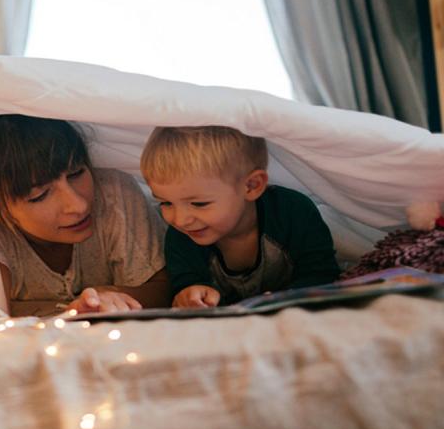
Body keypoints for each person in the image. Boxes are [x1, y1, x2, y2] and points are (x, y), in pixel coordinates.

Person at [0, 79, 171, 319]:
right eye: (40, 195)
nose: (78, 205)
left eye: (77, 173)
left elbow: (164, 289)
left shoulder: (114, 194)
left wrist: (107, 295)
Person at [139, 125, 340, 308]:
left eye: (199, 204)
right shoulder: (181, 236)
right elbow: (184, 283)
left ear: (252, 186)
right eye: (166, 203)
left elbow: (323, 274)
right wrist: (190, 294)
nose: (180, 220)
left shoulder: (292, 212)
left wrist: (285, 299)